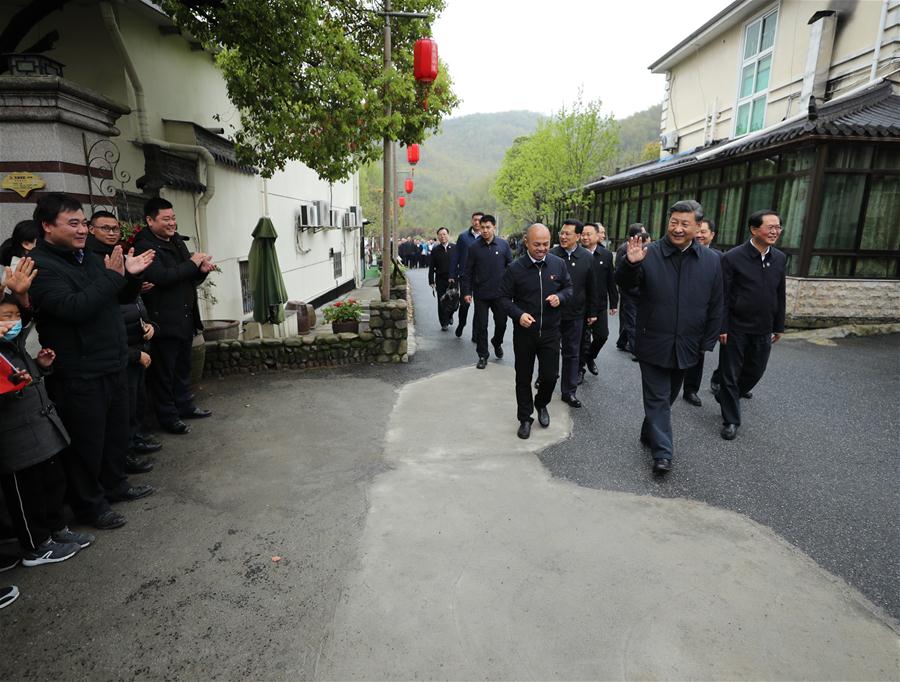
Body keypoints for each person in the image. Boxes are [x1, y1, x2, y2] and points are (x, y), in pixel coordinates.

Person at [29, 193, 156, 529]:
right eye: (73, 223)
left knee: (115, 434)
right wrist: (114, 277)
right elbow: (75, 307)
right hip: (79, 372)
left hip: (112, 361)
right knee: (87, 444)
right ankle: (89, 506)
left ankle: (114, 486)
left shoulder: (84, 257)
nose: (82, 229)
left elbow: (114, 298)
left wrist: (128, 277)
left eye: (83, 222)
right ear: (47, 226)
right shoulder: (40, 267)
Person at [616, 200, 723, 474]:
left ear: (699, 227)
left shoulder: (711, 261)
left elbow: (716, 303)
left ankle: (649, 429)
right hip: (652, 339)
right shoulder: (648, 253)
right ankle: (663, 454)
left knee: (668, 396)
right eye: (673, 222)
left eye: (684, 224)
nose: (677, 228)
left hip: (688, 344)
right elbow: (627, 289)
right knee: (658, 396)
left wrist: (707, 341)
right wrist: (630, 264)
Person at [0, 291, 93, 566]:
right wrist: (13, 387)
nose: (14, 322)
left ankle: (56, 530)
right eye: (6, 317)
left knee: (52, 484)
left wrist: (41, 367)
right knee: (28, 496)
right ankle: (36, 545)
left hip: (42, 431)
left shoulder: (15, 346)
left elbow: (31, 381)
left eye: (16, 316)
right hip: (15, 441)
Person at [87, 211, 161, 470]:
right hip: (119, 350)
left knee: (136, 401)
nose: (111, 233)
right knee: (123, 409)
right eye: (105, 228)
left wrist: (149, 324)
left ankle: (134, 442)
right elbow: (104, 308)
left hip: (134, 338)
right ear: (90, 229)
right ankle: (124, 456)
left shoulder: (121, 255)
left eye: (115, 228)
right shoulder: (91, 261)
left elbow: (128, 299)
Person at [133, 197, 214, 435]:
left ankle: (186, 406)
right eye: (166, 219)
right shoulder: (144, 247)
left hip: (185, 318)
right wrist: (191, 263)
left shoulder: (176, 241)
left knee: (182, 368)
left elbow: (185, 277)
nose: (172, 223)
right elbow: (162, 278)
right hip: (163, 322)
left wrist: (200, 272)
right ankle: (168, 417)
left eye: (174, 218)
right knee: (164, 374)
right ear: (150, 220)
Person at [717, 210, 787, 440]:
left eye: (778, 227)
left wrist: (779, 325)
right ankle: (730, 420)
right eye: (770, 227)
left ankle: (729, 394)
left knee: (755, 371)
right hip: (736, 326)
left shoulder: (779, 258)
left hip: (763, 326)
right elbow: (723, 296)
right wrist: (722, 327)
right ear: (754, 229)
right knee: (730, 373)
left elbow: (780, 293)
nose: (775, 231)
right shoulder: (733, 257)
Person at [499, 224, 572, 439]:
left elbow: (569, 288)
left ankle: (541, 403)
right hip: (525, 334)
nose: (542, 248)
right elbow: (503, 298)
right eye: (537, 244)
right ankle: (525, 418)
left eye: (546, 244)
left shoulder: (558, 265)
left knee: (550, 376)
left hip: (550, 331)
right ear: (526, 242)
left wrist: (561, 297)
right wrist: (518, 314)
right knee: (523, 377)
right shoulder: (515, 269)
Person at [549, 219, 598, 407]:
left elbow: (592, 286)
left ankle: (568, 392)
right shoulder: (552, 255)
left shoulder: (587, 257)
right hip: (553, 312)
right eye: (561, 233)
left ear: (578, 236)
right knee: (550, 351)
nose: (563, 236)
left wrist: (592, 311)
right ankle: (547, 380)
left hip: (576, 313)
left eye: (567, 233)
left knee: (572, 353)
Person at [461, 215, 513, 369]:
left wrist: (512, 290)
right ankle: (483, 355)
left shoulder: (503, 246)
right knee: (481, 326)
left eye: (488, 227)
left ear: (494, 227)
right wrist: (466, 292)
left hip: (500, 295)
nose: (484, 230)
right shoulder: (474, 248)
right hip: (481, 294)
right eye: (482, 227)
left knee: (501, 324)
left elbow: (511, 269)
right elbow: (467, 272)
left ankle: (497, 342)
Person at [682, 218, 721, 407]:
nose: (699, 235)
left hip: (701, 316)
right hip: (679, 312)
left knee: (698, 353)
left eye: (704, 232)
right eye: (697, 230)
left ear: (712, 235)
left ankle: (690, 389)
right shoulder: (680, 253)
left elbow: (721, 294)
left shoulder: (718, 259)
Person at [579, 222, 618, 382]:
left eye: (589, 234)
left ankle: (590, 357)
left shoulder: (606, 255)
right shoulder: (576, 254)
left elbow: (611, 280)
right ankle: (579, 369)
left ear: (597, 236)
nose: (585, 237)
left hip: (600, 304)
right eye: (583, 234)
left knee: (602, 335)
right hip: (581, 304)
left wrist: (614, 302)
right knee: (582, 339)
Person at [615, 224, 649, 359]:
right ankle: (636, 350)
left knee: (631, 318)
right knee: (631, 321)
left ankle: (622, 341)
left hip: (639, 291)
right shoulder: (624, 249)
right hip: (629, 291)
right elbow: (619, 271)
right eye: (643, 233)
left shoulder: (645, 250)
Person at [449, 212, 483, 339]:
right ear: (471, 221)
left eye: (479, 220)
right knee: (465, 305)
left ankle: (475, 333)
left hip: (481, 277)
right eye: (475, 220)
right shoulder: (463, 237)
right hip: (465, 276)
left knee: (480, 307)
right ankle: (461, 324)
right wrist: (452, 274)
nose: (477, 222)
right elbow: (456, 256)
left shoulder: (486, 237)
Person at [428, 227, 455, 331]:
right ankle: (444, 322)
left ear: (448, 235)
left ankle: (450, 315)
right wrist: (431, 281)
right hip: (440, 279)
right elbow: (431, 267)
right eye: (440, 235)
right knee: (442, 301)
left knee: (453, 301)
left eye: (444, 234)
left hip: (453, 280)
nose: (442, 236)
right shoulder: (435, 250)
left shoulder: (455, 248)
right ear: (438, 237)